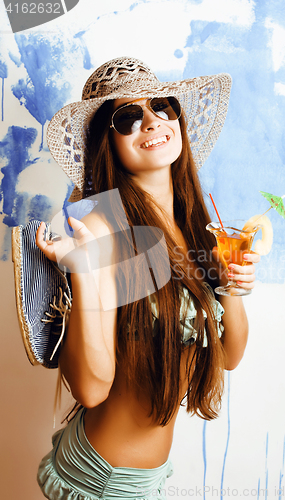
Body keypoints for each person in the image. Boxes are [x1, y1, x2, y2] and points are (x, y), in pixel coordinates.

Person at [35, 57, 260, 500]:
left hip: (149, 476)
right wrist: (83, 272)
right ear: (108, 141)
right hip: (102, 480)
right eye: (128, 117)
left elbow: (229, 357)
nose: (152, 121)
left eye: (162, 106)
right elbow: (92, 388)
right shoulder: (102, 226)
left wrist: (231, 287)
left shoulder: (196, 227)